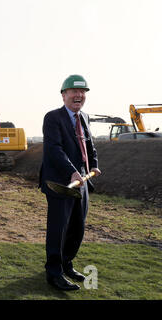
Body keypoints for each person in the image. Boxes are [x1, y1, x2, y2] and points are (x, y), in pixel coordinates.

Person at [39, 74, 101, 290]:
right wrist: (72, 171)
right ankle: (53, 273)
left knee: (77, 227)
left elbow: (89, 144)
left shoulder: (84, 116)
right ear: (64, 95)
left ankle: (66, 264)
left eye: (82, 92)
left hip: (81, 180)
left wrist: (93, 164)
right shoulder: (52, 118)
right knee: (58, 228)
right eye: (74, 91)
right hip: (60, 183)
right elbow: (54, 150)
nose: (79, 95)